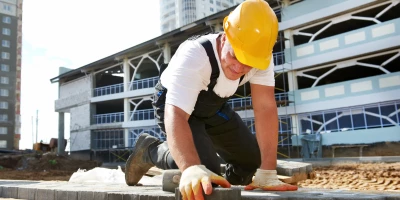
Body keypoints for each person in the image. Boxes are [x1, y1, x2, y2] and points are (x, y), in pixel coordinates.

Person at [125, 0, 298, 199]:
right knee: (203, 170)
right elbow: (177, 114)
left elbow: (266, 108)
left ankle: (221, 183)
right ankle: (151, 150)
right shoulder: (195, 56)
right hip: (174, 105)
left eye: (248, 63)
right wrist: (191, 168)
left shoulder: (259, 56)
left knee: (251, 162)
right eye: (235, 56)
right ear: (225, 38)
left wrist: (267, 173)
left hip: (213, 106)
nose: (239, 68)